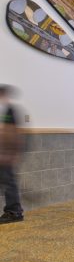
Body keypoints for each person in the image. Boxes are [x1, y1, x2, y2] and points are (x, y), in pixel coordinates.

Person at [0, 86, 23, 224]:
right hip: (4, 154)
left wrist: (9, 154)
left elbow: (11, 135)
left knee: (9, 183)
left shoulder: (9, 111)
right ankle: (14, 210)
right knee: (7, 183)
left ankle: (14, 212)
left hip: (5, 156)